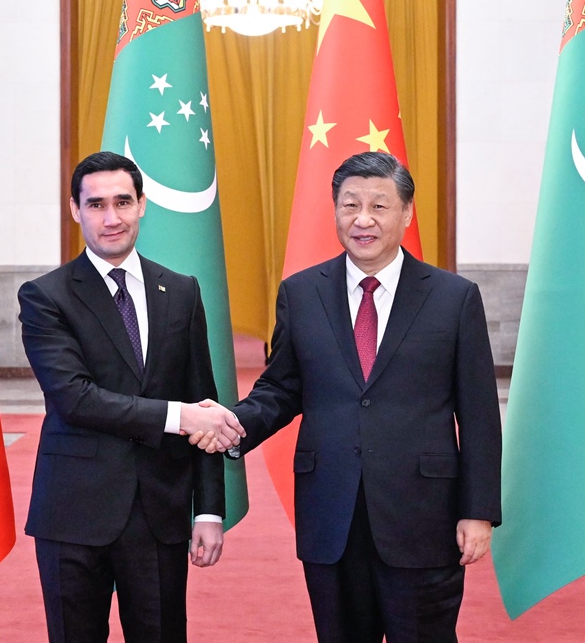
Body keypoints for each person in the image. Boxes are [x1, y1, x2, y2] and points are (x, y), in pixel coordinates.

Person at [197, 152, 502, 642]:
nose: (363, 219)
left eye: (379, 206)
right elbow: (281, 387)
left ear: (406, 213)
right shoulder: (301, 293)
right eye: (350, 205)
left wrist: (478, 509)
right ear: (335, 210)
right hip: (331, 513)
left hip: (422, 517)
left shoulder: (453, 297)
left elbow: (480, 414)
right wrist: (233, 425)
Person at [18, 151, 244, 642]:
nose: (111, 218)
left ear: (142, 204)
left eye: (122, 202)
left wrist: (209, 511)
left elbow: (204, 402)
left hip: (159, 512)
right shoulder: (45, 297)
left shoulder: (181, 291)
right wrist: (178, 417)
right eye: (96, 204)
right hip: (74, 514)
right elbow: (75, 398)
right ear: (75, 210)